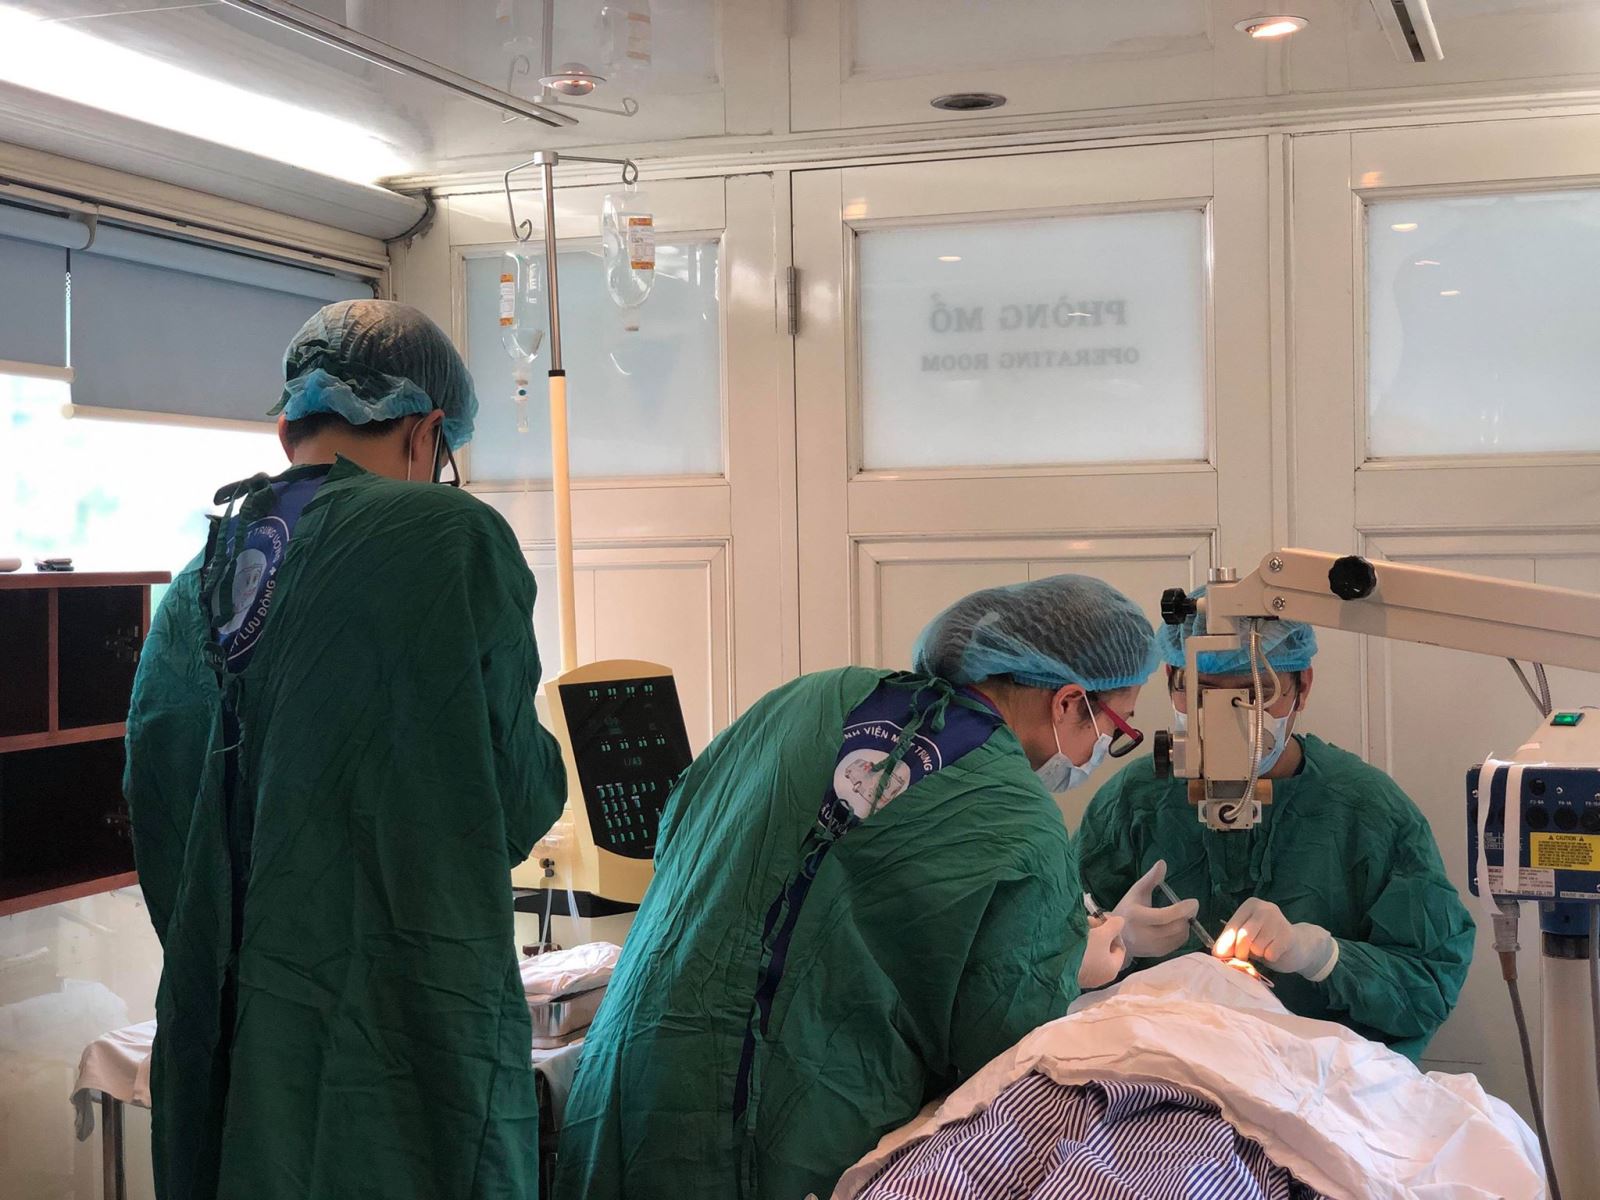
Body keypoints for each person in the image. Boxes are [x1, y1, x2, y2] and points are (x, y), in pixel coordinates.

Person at [124, 300, 567, 1200]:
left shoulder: (196, 582)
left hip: (222, 1042)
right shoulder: (447, 536)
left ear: (288, 426)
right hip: (400, 1044)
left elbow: (160, 818)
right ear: (427, 433)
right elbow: (516, 799)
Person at [555, 575, 1158, 1200]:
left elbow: (679, 832)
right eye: (1114, 729)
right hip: (788, 1132)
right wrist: (1067, 964)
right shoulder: (1018, 816)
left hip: (632, 1082)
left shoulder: (812, 697)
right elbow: (1000, 1047)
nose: (1099, 753)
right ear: (1068, 704)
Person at [1077, 589, 1474, 1061]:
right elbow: (1046, 950)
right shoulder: (1135, 800)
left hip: (1315, 1076)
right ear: (1171, 681)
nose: (1226, 716)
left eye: (1255, 692)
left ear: (1303, 686)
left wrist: (1323, 957)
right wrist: (1107, 939)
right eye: (1201, 690)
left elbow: (1428, 985)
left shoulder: (1367, 809)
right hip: (1162, 1069)